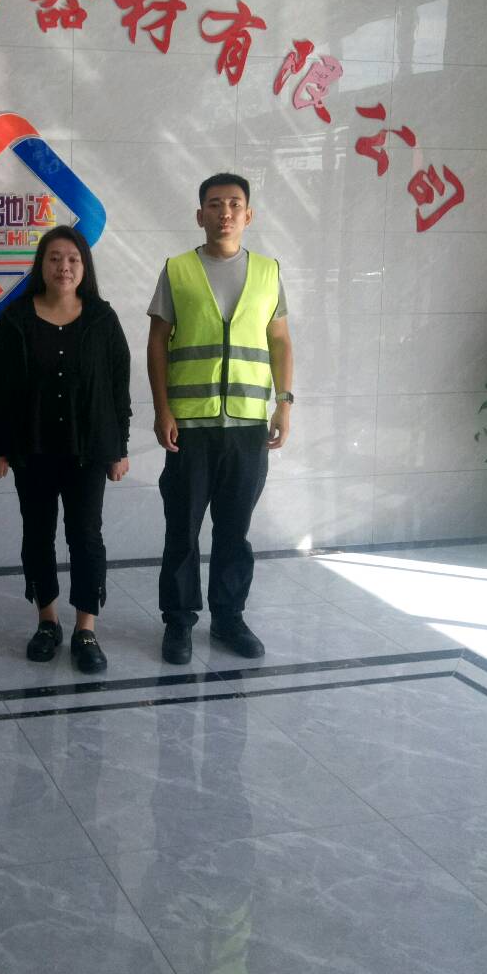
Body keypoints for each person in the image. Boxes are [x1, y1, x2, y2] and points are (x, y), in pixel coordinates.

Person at [146, 172, 294, 666]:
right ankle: (179, 621)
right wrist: (162, 408)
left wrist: (284, 402)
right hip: (190, 425)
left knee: (235, 531)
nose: (224, 212)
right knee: (182, 529)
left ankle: (229, 618)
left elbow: (280, 340)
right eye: (214, 204)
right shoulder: (178, 270)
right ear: (200, 215)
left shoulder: (269, 271)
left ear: (248, 215)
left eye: (233, 204)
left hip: (248, 425)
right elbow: (156, 343)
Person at [0, 226, 131, 673]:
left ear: (84, 267)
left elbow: (118, 388)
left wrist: (119, 448)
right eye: (54, 258)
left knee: (86, 536)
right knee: (38, 534)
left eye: (72, 259)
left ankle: (86, 628)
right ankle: (47, 621)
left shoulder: (102, 319)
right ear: (41, 265)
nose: (63, 267)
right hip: (32, 449)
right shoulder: (15, 319)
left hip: (88, 450)